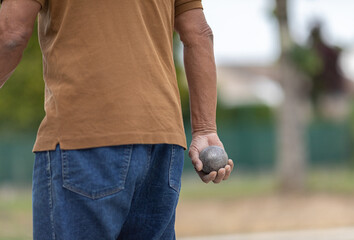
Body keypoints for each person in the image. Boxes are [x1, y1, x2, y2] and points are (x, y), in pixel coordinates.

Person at [0, 0, 234, 239]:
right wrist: (205, 129)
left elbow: (12, 34)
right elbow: (199, 33)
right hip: (162, 142)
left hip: (84, 138)